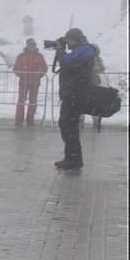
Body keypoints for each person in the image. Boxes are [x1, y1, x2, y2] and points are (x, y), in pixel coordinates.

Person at [52, 27, 97, 170]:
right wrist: (62, 51)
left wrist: (60, 51)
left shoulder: (85, 50)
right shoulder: (79, 50)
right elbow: (68, 63)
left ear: (75, 39)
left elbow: (68, 61)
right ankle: (70, 158)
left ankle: (74, 160)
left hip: (76, 95)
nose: (67, 42)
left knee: (69, 127)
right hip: (71, 94)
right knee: (67, 127)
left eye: (68, 39)